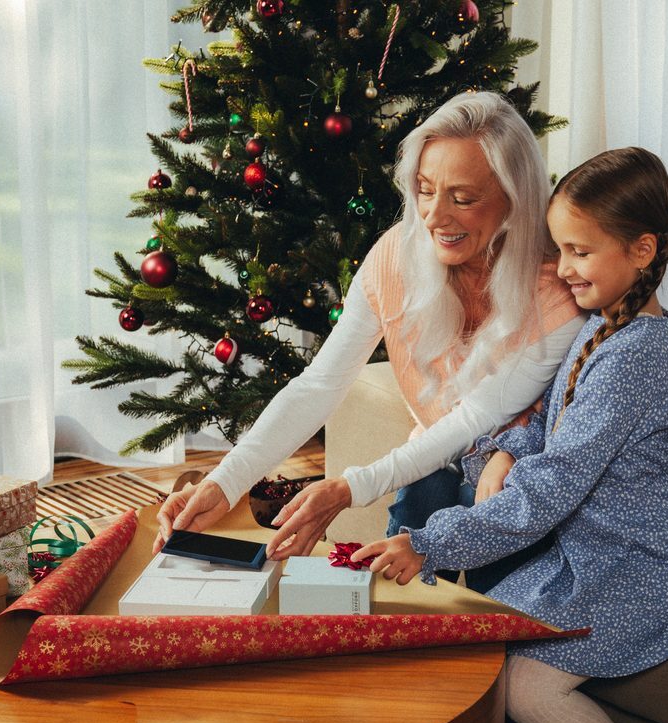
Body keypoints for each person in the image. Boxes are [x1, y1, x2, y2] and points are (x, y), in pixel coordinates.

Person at [351, 147, 668, 723]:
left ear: (643, 250)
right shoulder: (601, 326)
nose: (562, 268)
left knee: (526, 686)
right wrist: (506, 450)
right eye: (559, 250)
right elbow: (554, 422)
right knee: (494, 642)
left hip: (641, 559)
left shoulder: (638, 353)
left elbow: (556, 480)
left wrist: (431, 544)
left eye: (579, 252)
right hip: (591, 548)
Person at [153, 92, 585, 591]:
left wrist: (348, 488)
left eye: (463, 199)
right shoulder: (395, 257)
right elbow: (320, 383)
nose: (433, 216)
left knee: (499, 609)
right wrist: (224, 482)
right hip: (436, 461)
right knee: (401, 580)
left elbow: (475, 420)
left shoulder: (557, 289)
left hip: (517, 479)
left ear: (514, 199)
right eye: (425, 190)